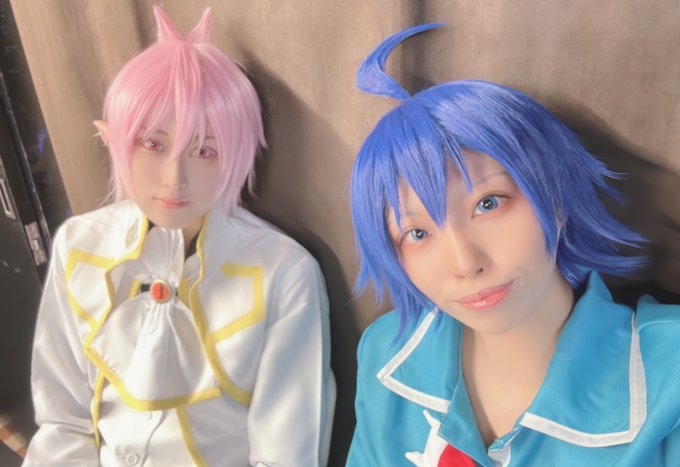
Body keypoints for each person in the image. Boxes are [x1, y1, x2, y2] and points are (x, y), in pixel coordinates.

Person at [346, 24, 680, 466]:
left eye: (488, 204)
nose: (465, 263)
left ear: (555, 198)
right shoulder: (386, 351)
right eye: (417, 234)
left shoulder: (670, 373)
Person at [24, 6, 334, 466]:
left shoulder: (284, 273)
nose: (175, 179)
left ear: (238, 154)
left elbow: (287, 455)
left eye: (205, 151)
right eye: (153, 144)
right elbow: (63, 421)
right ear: (113, 140)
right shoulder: (79, 244)